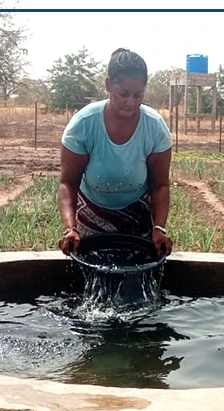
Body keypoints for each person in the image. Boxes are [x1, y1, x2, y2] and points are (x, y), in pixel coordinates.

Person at [57, 48, 174, 258]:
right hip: (92, 211)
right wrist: (70, 228)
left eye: (138, 95)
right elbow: (68, 184)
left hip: (137, 214)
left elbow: (160, 185)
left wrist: (159, 228)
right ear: (108, 85)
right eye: (123, 94)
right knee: (91, 276)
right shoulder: (84, 125)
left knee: (135, 278)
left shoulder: (154, 127)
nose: (131, 102)